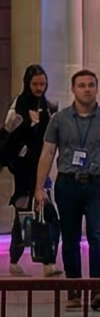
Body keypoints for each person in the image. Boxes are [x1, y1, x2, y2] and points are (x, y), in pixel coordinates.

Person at [36, 69, 100, 309]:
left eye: (91, 85)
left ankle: (98, 287)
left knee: (97, 234)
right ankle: (74, 289)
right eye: (81, 85)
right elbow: (48, 152)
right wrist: (39, 187)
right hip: (67, 184)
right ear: (73, 89)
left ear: (97, 88)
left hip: (98, 184)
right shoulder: (59, 120)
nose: (87, 89)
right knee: (69, 238)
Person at [4, 65, 55, 275]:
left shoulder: (48, 106)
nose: (39, 88)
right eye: (35, 84)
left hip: (41, 168)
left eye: (42, 84)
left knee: (45, 212)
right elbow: (8, 135)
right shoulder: (19, 105)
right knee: (23, 215)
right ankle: (15, 260)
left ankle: (47, 263)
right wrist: (27, 123)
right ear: (28, 83)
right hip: (23, 170)